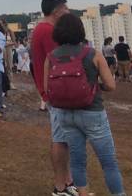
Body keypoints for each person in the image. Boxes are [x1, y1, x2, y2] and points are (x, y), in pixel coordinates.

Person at [45, 13, 125, 196]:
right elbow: (111, 85)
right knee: (108, 163)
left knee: (78, 162)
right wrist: (96, 85)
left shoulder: (51, 57)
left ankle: (81, 193)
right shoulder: (92, 53)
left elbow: (46, 88)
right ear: (80, 30)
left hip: (65, 115)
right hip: (92, 112)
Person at [31, 0, 75, 196]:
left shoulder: (42, 29)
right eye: (66, 8)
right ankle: (60, 187)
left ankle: (68, 182)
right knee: (60, 139)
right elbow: (60, 61)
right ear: (57, 10)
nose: (68, 12)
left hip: (53, 91)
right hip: (56, 92)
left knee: (65, 139)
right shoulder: (48, 31)